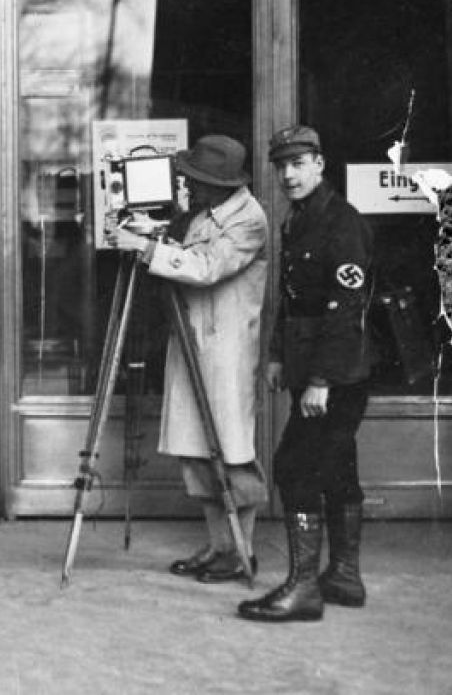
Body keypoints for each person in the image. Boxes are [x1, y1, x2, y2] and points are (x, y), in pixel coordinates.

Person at [108, 135, 269, 584]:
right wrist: (152, 235)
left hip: (226, 352)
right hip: (193, 341)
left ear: (219, 182)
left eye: (196, 179)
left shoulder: (249, 220)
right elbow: (185, 252)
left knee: (231, 453)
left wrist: (145, 249)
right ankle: (219, 545)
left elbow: (205, 267)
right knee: (196, 453)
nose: (189, 186)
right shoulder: (203, 212)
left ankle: (242, 550)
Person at [237, 125, 374, 623]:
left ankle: (303, 589)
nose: (289, 174)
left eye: (299, 163)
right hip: (313, 372)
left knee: (294, 468)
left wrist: (321, 380)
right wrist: (276, 355)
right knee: (337, 470)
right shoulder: (298, 220)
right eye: (281, 166)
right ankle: (343, 576)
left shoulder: (343, 224)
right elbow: (292, 301)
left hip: (337, 378)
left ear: (320, 163)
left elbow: (345, 310)